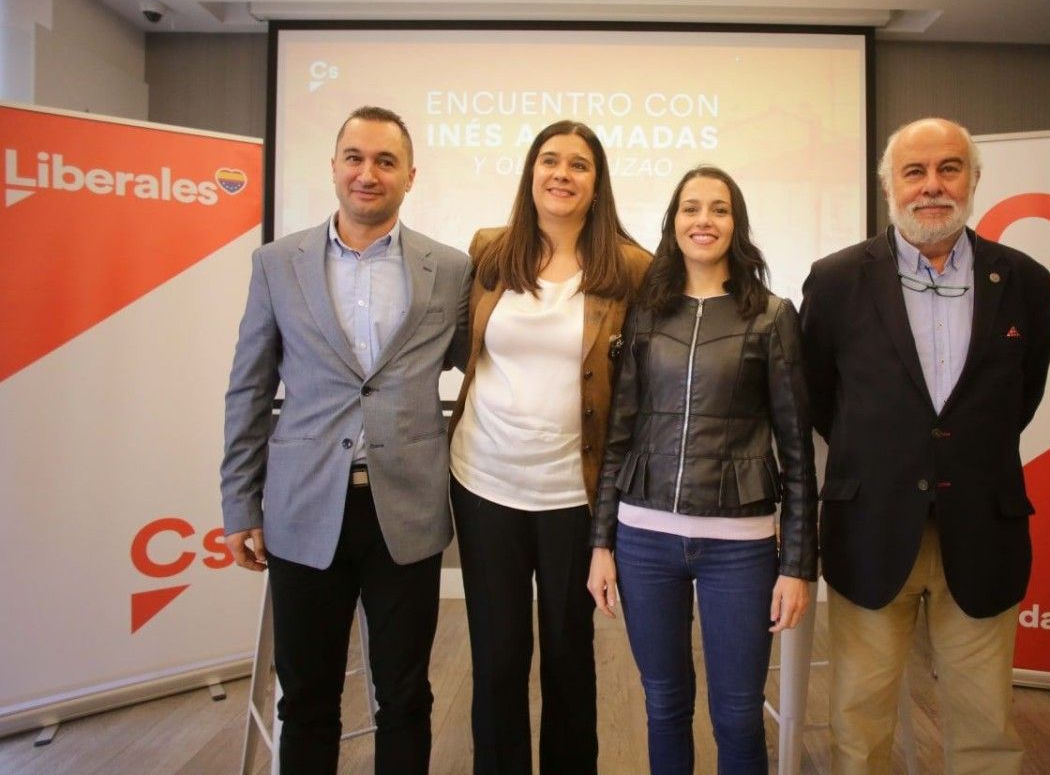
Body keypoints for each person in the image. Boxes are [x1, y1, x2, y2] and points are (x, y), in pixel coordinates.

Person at [799, 117, 1050, 774]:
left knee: (985, 724)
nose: (932, 186)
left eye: (949, 169)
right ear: (890, 186)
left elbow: (1022, 397)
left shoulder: (1024, 279)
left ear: (972, 180)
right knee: (860, 719)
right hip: (872, 526)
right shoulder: (835, 281)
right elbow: (822, 398)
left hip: (983, 527)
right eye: (915, 172)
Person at [220, 106, 470, 775]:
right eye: (355, 157)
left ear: (409, 176)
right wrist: (240, 506)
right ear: (334, 167)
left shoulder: (449, 269)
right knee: (306, 700)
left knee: (405, 697)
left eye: (385, 161)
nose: (368, 173)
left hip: (406, 514)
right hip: (302, 510)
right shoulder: (277, 263)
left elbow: (487, 371)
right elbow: (248, 389)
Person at [588, 165, 818, 774]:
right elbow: (620, 435)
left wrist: (796, 566)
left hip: (740, 547)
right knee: (663, 705)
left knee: (738, 714)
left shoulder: (771, 317)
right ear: (673, 223)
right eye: (691, 208)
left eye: (718, 209)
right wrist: (601, 543)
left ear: (736, 225)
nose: (704, 220)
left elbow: (798, 455)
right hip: (643, 538)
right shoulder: (645, 313)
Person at [446, 119, 652, 774]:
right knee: (497, 657)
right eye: (550, 160)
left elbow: (643, 388)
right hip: (483, 484)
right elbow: (457, 347)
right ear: (531, 172)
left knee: (569, 654)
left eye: (579, 165)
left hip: (574, 494)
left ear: (598, 183)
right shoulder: (488, 252)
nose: (562, 174)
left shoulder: (632, 268)